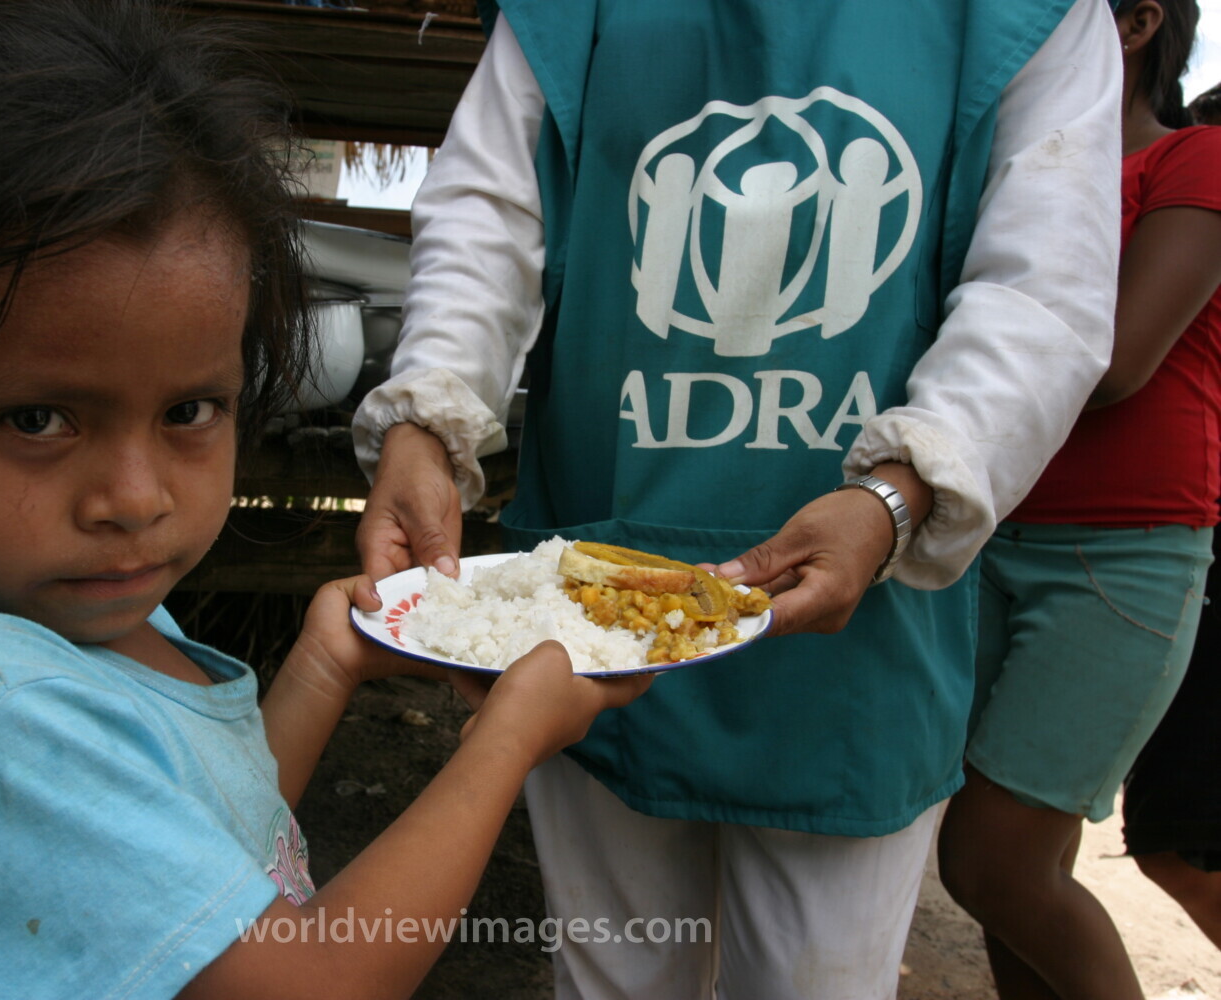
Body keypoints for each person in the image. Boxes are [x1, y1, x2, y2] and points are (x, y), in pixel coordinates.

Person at [0, 3, 651, 997]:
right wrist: (505, 740)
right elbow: (310, 986)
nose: (133, 499)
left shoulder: (69, 626)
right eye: (37, 420)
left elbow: (214, 852)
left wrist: (321, 663)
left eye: (189, 408)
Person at [352, 0, 1122, 996]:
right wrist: (427, 421)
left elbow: (1044, 290)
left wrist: (897, 493)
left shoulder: (1029, 15)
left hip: (858, 631)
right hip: (589, 594)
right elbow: (488, 211)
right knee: (616, 976)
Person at [935, 0, 1221, 996]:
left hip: (1124, 552)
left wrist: (991, 331)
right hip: (990, 536)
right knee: (1015, 879)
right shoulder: (1009, 185)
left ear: (1137, 24)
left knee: (989, 858)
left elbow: (1117, 362)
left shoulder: (1194, 162)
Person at [1118, 72, 1221, 955]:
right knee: (1172, 839)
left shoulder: (1200, 157)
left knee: (1178, 842)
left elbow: (1119, 363)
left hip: (1171, 532)